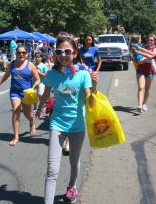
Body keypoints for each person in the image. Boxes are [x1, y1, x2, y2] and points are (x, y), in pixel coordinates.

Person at [35, 36, 98, 204]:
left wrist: (94, 87)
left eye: (67, 51)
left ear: (75, 53)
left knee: (73, 161)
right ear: (55, 54)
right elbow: (47, 92)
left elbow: (90, 102)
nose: (63, 55)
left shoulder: (83, 74)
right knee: (52, 169)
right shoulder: (52, 74)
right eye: (59, 52)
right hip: (57, 124)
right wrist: (40, 107)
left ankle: (72, 186)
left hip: (77, 125)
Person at [0, 45, 40, 146]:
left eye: (23, 53)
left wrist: (33, 88)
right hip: (15, 92)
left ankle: (32, 123)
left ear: (27, 54)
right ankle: (16, 137)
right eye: (19, 53)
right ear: (16, 54)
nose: (21, 54)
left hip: (27, 93)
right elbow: (6, 75)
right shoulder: (12, 64)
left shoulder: (30, 65)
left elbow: (37, 79)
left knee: (28, 114)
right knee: (16, 111)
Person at [135, 34, 156, 113]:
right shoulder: (144, 47)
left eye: (151, 40)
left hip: (150, 71)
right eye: (148, 40)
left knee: (147, 89)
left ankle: (144, 103)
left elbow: (152, 55)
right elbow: (137, 59)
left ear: (155, 41)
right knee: (141, 88)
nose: (149, 41)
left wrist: (141, 55)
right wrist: (139, 57)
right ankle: (139, 105)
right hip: (140, 69)